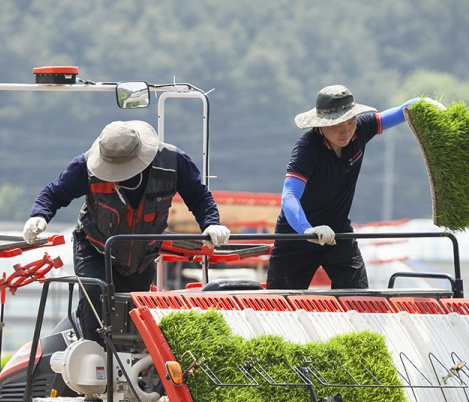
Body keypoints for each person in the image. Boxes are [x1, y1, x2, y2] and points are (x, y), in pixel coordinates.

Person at [23, 120, 230, 339]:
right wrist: (39, 216)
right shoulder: (85, 167)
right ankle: (94, 360)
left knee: (132, 317)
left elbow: (199, 195)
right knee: (96, 296)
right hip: (96, 249)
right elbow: (53, 194)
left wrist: (211, 223)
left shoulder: (172, 162)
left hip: (141, 257)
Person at [266, 85, 440, 290]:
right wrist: (307, 230)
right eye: (338, 125)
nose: (346, 131)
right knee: (279, 303)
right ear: (321, 124)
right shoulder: (307, 149)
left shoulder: (360, 130)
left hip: (339, 233)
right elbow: (290, 195)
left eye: (351, 122)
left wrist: (422, 104)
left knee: (358, 298)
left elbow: (399, 112)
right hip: (297, 237)